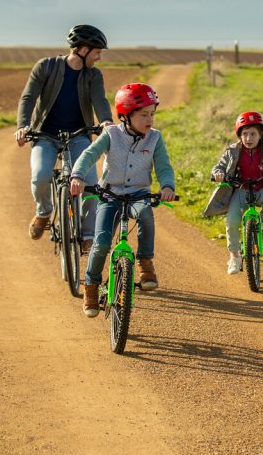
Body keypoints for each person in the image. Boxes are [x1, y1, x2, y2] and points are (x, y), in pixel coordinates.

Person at [69, 83, 176, 317]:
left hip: (139, 193)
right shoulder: (111, 135)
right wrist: (77, 176)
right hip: (110, 194)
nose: (150, 120)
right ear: (125, 116)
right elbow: (89, 155)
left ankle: (145, 263)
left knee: (145, 215)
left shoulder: (155, 138)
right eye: (143, 115)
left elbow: (164, 166)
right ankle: (91, 285)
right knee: (102, 242)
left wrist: (167, 186)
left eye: (152, 114)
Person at [15, 24, 112, 251]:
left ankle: (87, 233)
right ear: (83, 49)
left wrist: (106, 121)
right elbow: (28, 98)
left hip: (79, 135)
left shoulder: (93, 76)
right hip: (45, 135)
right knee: (40, 176)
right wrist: (23, 126)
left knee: (90, 184)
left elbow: (100, 100)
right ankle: (44, 212)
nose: (98, 57)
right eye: (97, 52)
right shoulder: (46, 67)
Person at [203, 111, 263, 274]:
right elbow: (219, 166)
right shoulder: (232, 150)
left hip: (262, 186)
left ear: (261, 135)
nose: (249, 138)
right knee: (232, 221)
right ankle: (234, 256)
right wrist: (218, 173)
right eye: (245, 134)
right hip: (241, 189)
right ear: (239, 135)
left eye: (253, 134)